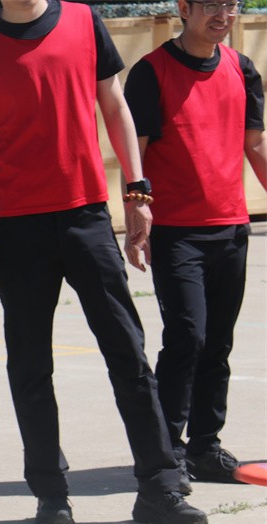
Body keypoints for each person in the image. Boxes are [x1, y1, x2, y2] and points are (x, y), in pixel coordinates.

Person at [0, 0, 208, 524]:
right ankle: (50, 494)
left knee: (128, 354)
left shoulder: (83, 21)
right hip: (19, 228)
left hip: (86, 217)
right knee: (29, 366)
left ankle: (159, 486)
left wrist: (137, 191)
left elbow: (115, 106)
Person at [124, 0, 266, 489]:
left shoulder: (242, 69)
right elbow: (134, 151)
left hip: (231, 227)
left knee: (218, 342)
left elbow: (255, 143)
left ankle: (205, 446)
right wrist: (135, 214)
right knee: (189, 336)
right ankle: (166, 450)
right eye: (210, 4)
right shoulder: (151, 73)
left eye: (231, 4)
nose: (223, 14)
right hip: (178, 231)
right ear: (184, 9)